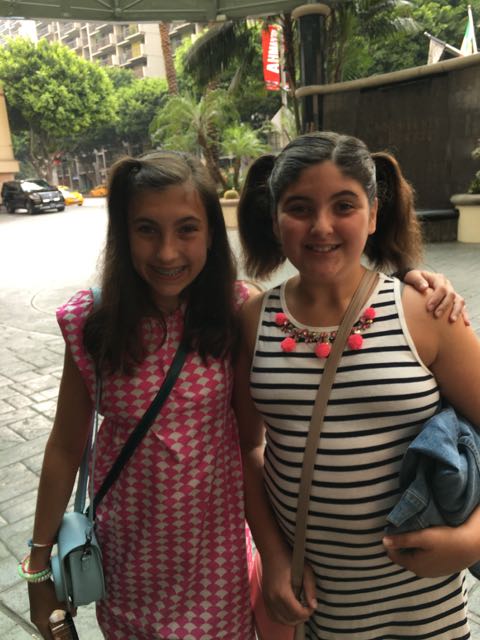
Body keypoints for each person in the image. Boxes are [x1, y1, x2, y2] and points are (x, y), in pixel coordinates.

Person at [23, 149, 464, 640]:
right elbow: (64, 448)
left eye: (187, 229)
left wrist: (412, 281)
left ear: (212, 234)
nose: (167, 252)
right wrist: (38, 567)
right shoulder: (95, 323)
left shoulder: (235, 313)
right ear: (122, 234)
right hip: (128, 568)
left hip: (219, 574)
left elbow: (250, 440)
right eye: (146, 229)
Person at [234, 132, 480, 639]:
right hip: (318, 610)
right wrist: (272, 556)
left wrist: (473, 539)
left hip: (425, 609)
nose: (321, 226)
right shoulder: (253, 321)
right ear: (275, 219)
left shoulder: (426, 312)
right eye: (299, 208)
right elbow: (247, 449)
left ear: (372, 215)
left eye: (343, 205)